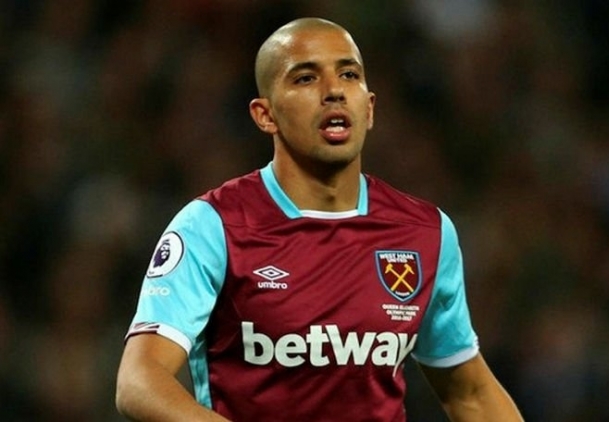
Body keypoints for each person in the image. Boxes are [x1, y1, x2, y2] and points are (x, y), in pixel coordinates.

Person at [115, 17, 523, 422]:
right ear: (265, 115)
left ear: (369, 107)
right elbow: (139, 380)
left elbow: (470, 394)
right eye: (306, 78)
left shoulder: (425, 234)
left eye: (349, 74)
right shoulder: (213, 226)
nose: (334, 91)